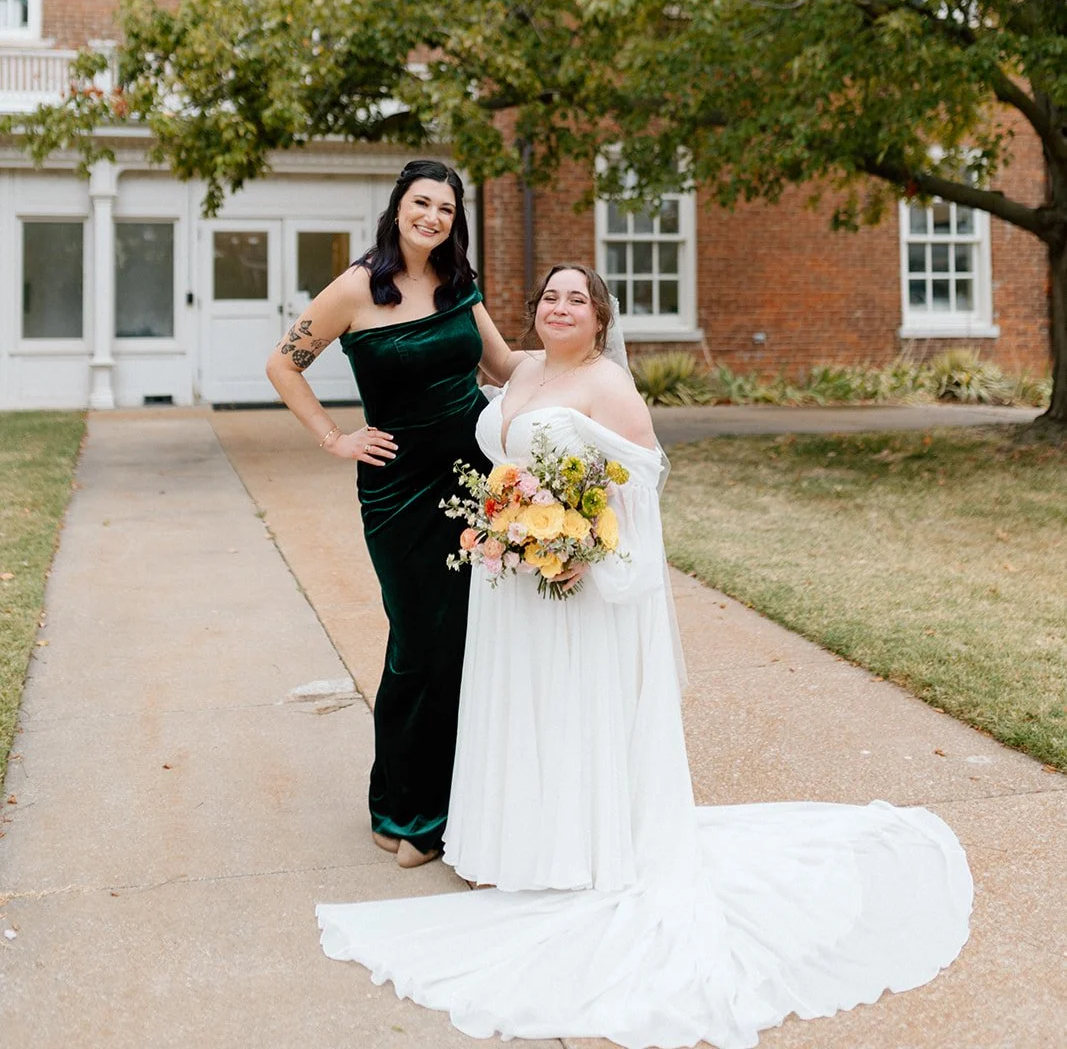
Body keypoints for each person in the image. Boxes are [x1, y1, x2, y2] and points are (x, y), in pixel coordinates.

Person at [317, 262, 973, 1048]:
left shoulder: (608, 388)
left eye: (576, 299)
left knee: (564, 706)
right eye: (549, 297)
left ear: (599, 317)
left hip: (566, 583)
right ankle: (509, 842)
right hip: (507, 584)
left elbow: (643, 479)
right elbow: (488, 435)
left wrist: (573, 534)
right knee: (513, 704)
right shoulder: (521, 370)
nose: (559, 308)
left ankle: (573, 846)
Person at [266, 159, 518, 870]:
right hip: (396, 490)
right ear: (398, 207)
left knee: (462, 643)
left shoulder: (459, 285)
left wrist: (581, 361)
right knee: (416, 641)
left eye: (445, 208)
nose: (433, 217)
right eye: (421, 203)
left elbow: (499, 368)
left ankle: (427, 807)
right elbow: (282, 365)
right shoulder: (356, 286)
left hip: (475, 480)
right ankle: (403, 807)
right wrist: (334, 438)